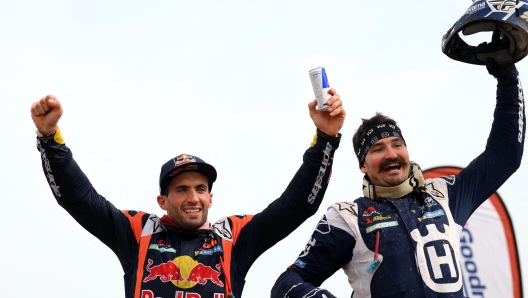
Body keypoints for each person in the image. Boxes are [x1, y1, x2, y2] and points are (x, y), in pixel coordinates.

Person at [30, 89, 345, 298]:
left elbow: (297, 206)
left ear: (211, 198)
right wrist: (49, 139)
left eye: (200, 189)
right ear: (162, 201)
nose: (193, 197)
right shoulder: (137, 233)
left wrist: (326, 138)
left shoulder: (234, 237)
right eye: (181, 189)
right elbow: (77, 198)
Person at [271, 58, 525, 298]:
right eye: (378, 149)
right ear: (363, 165)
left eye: (397, 144)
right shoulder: (348, 217)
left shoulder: (446, 194)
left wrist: (507, 75)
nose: (391, 154)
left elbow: (505, 155)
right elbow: (287, 282)